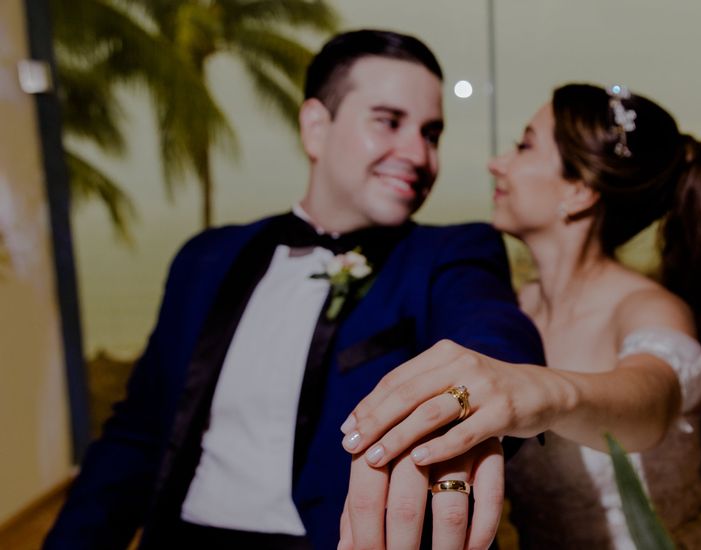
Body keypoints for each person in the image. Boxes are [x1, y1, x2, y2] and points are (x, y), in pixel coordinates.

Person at [45, 29, 544, 550]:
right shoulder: (204, 259)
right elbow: (138, 434)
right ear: (315, 128)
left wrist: (487, 393)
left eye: (431, 133)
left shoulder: (452, 254)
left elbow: (491, 341)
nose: (418, 154)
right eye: (389, 122)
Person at [341, 83, 701, 548]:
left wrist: (541, 390)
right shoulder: (505, 310)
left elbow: (652, 403)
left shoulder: (647, 307)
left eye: (524, 145)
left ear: (577, 190)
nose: (497, 164)